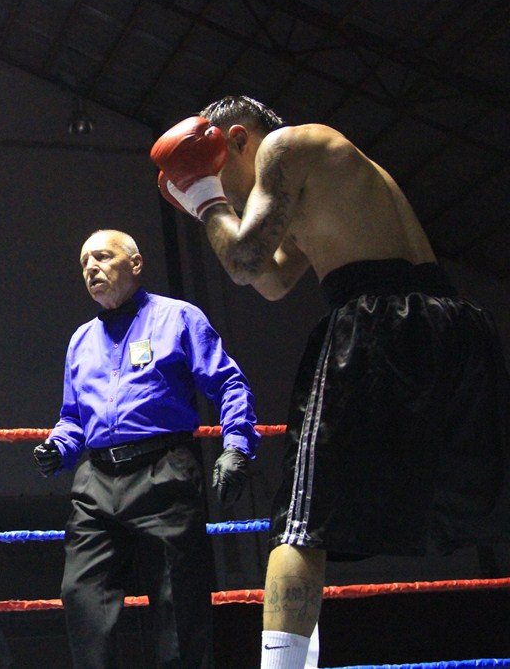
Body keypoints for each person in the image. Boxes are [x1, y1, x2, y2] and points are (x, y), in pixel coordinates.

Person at [150, 96, 510, 668]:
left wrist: (204, 197)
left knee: (300, 520)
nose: (232, 199)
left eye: (217, 169)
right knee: (488, 492)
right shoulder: (326, 170)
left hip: (378, 322)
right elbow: (271, 281)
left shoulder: (285, 145)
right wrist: (210, 203)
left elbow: (243, 262)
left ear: (238, 139)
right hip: (454, 327)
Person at [33, 229, 261, 668]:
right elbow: (73, 418)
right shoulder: (81, 340)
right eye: (84, 263)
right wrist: (59, 447)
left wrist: (236, 445)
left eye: (102, 257)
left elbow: (228, 383)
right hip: (96, 481)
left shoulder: (178, 318)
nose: (91, 268)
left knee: (180, 609)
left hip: (164, 471)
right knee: (81, 598)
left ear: (135, 263)